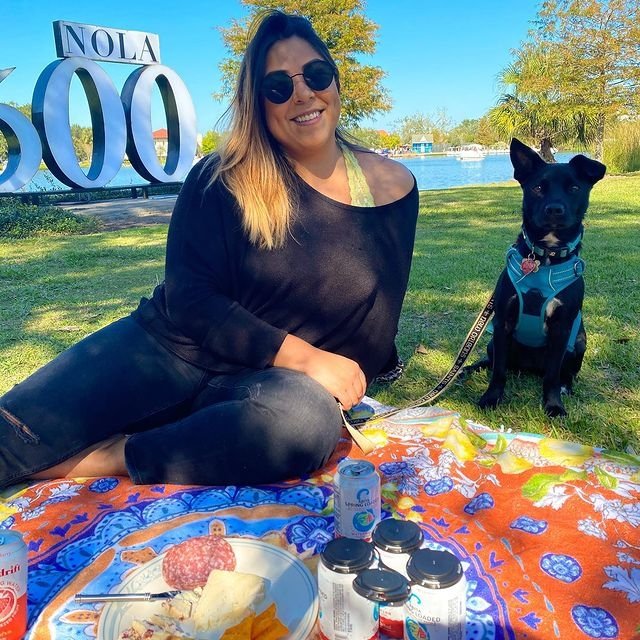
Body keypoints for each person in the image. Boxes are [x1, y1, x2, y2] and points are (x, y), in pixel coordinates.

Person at [0, 10, 418, 488]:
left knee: (303, 423)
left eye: (316, 75)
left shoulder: (392, 188)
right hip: (167, 351)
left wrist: (334, 371)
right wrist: (306, 357)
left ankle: (115, 455)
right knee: (10, 441)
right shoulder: (221, 177)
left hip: (269, 387)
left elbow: (373, 324)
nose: (303, 93)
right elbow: (190, 299)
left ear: (335, 81)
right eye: (278, 86)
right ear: (257, 103)